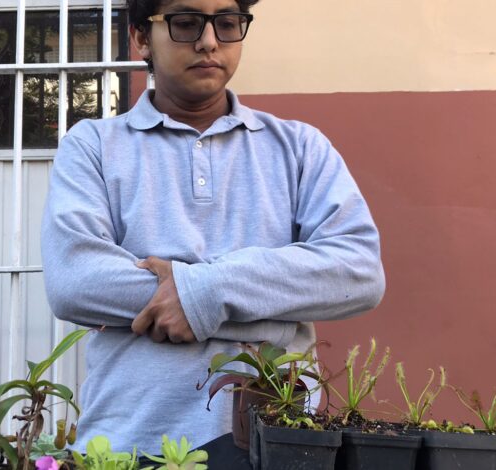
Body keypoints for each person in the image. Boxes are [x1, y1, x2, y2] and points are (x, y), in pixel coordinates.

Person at [40, 0, 385, 454]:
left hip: (275, 445)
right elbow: (75, 282)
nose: (209, 41)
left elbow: (359, 272)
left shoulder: (300, 147)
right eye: (185, 23)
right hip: (130, 443)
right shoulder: (94, 146)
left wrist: (206, 290)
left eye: (227, 23)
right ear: (141, 37)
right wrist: (271, 316)